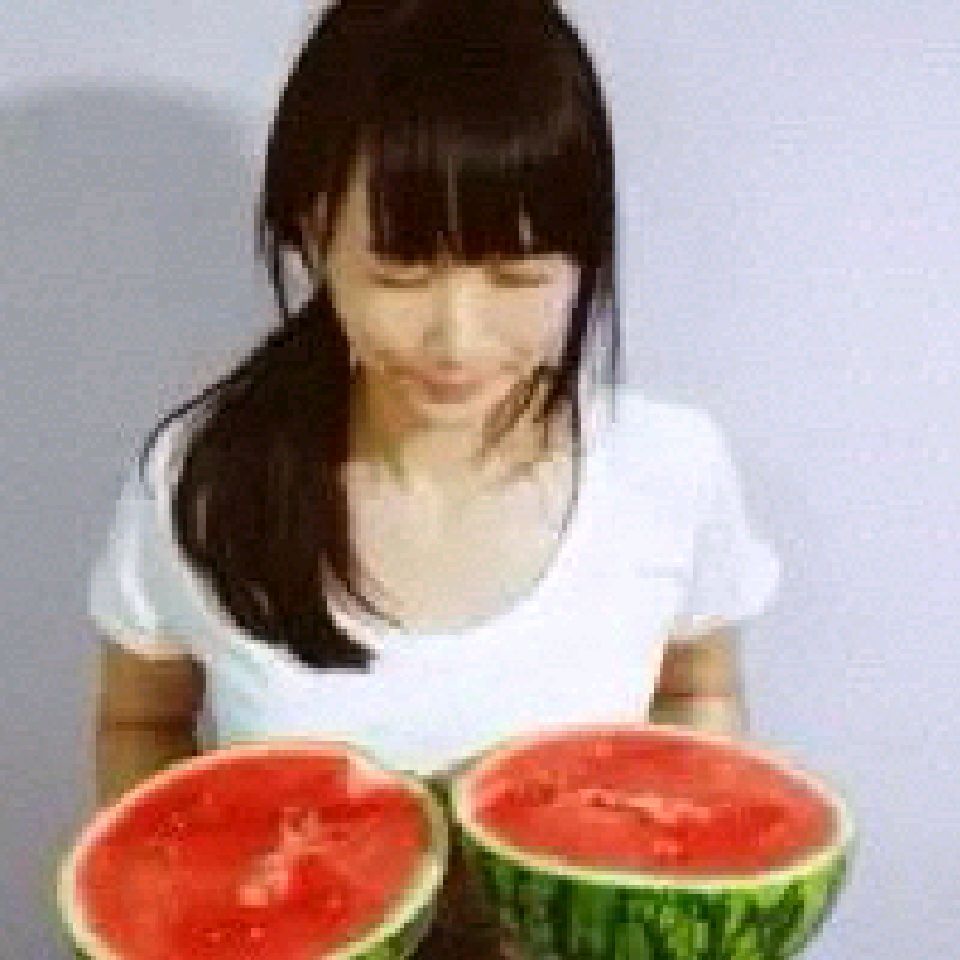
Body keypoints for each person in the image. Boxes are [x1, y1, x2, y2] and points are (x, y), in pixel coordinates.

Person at [87, 1, 780, 957]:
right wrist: (190, 908)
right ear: (313, 234)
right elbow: (140, 717)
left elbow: (698, 694)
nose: (457, 340)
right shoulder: (199, 484)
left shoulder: (671, 471)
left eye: (516, 274)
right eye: (401, 272)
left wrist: (672, 884)